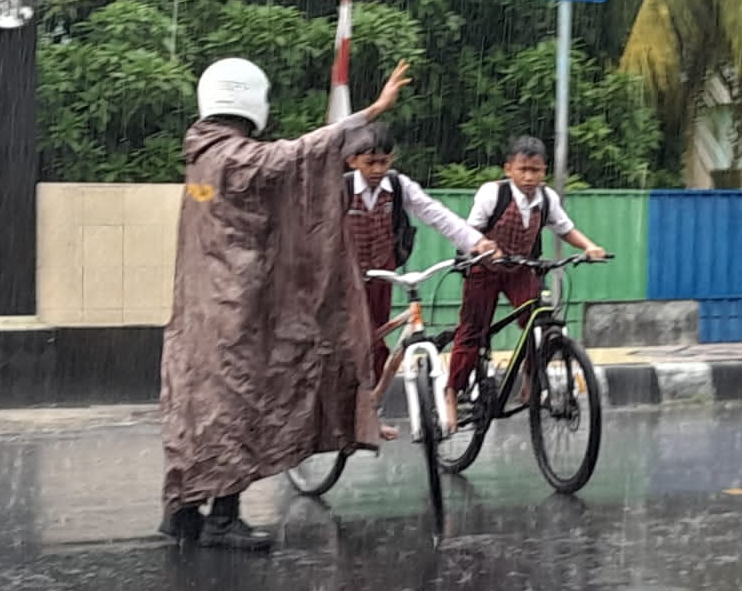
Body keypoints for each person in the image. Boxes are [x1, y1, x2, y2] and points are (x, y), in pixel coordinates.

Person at [159, 58, 414, 552]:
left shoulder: (202, 154)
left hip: (199, 309)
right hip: (234, 308)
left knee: (194, 404)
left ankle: (184, 511)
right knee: (234, 404)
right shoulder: (235, 157)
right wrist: (369, 113)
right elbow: (297, 157)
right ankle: (223, 519)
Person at [343, 122, 498, 431]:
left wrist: (475, 241)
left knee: (376, 346)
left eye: (384, 161)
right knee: (350, 342)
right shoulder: (340, 188)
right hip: (343, 278)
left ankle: (368, 411)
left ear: (392, 159)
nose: (377, 169)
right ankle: (342, 406)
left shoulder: (399, 187)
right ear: (352, 160)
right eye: (369, 162)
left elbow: (435, 213)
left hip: (381, 275)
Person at [443, 136, 607, 426]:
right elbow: (470, 232)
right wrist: (485, 249)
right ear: (509, 169)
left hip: (521, 269)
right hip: (484, 269)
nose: (530, 177)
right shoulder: (492, 194)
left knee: (540, 322)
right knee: (472, 333)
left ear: (544, 172)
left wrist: (589, 247)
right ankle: (451, 394)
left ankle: (531, 380)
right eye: (523, 170)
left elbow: (565, 229)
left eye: (536, 170)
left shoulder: (547, 199)